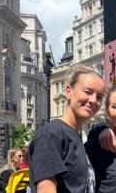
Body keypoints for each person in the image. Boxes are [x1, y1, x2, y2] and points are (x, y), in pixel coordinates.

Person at [29, 64, 105, 193]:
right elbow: (46, 189)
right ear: (69, 91)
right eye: (87, 92)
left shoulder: (74, 135)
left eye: (99, 97)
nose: (93, 100)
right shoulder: (52, 133)